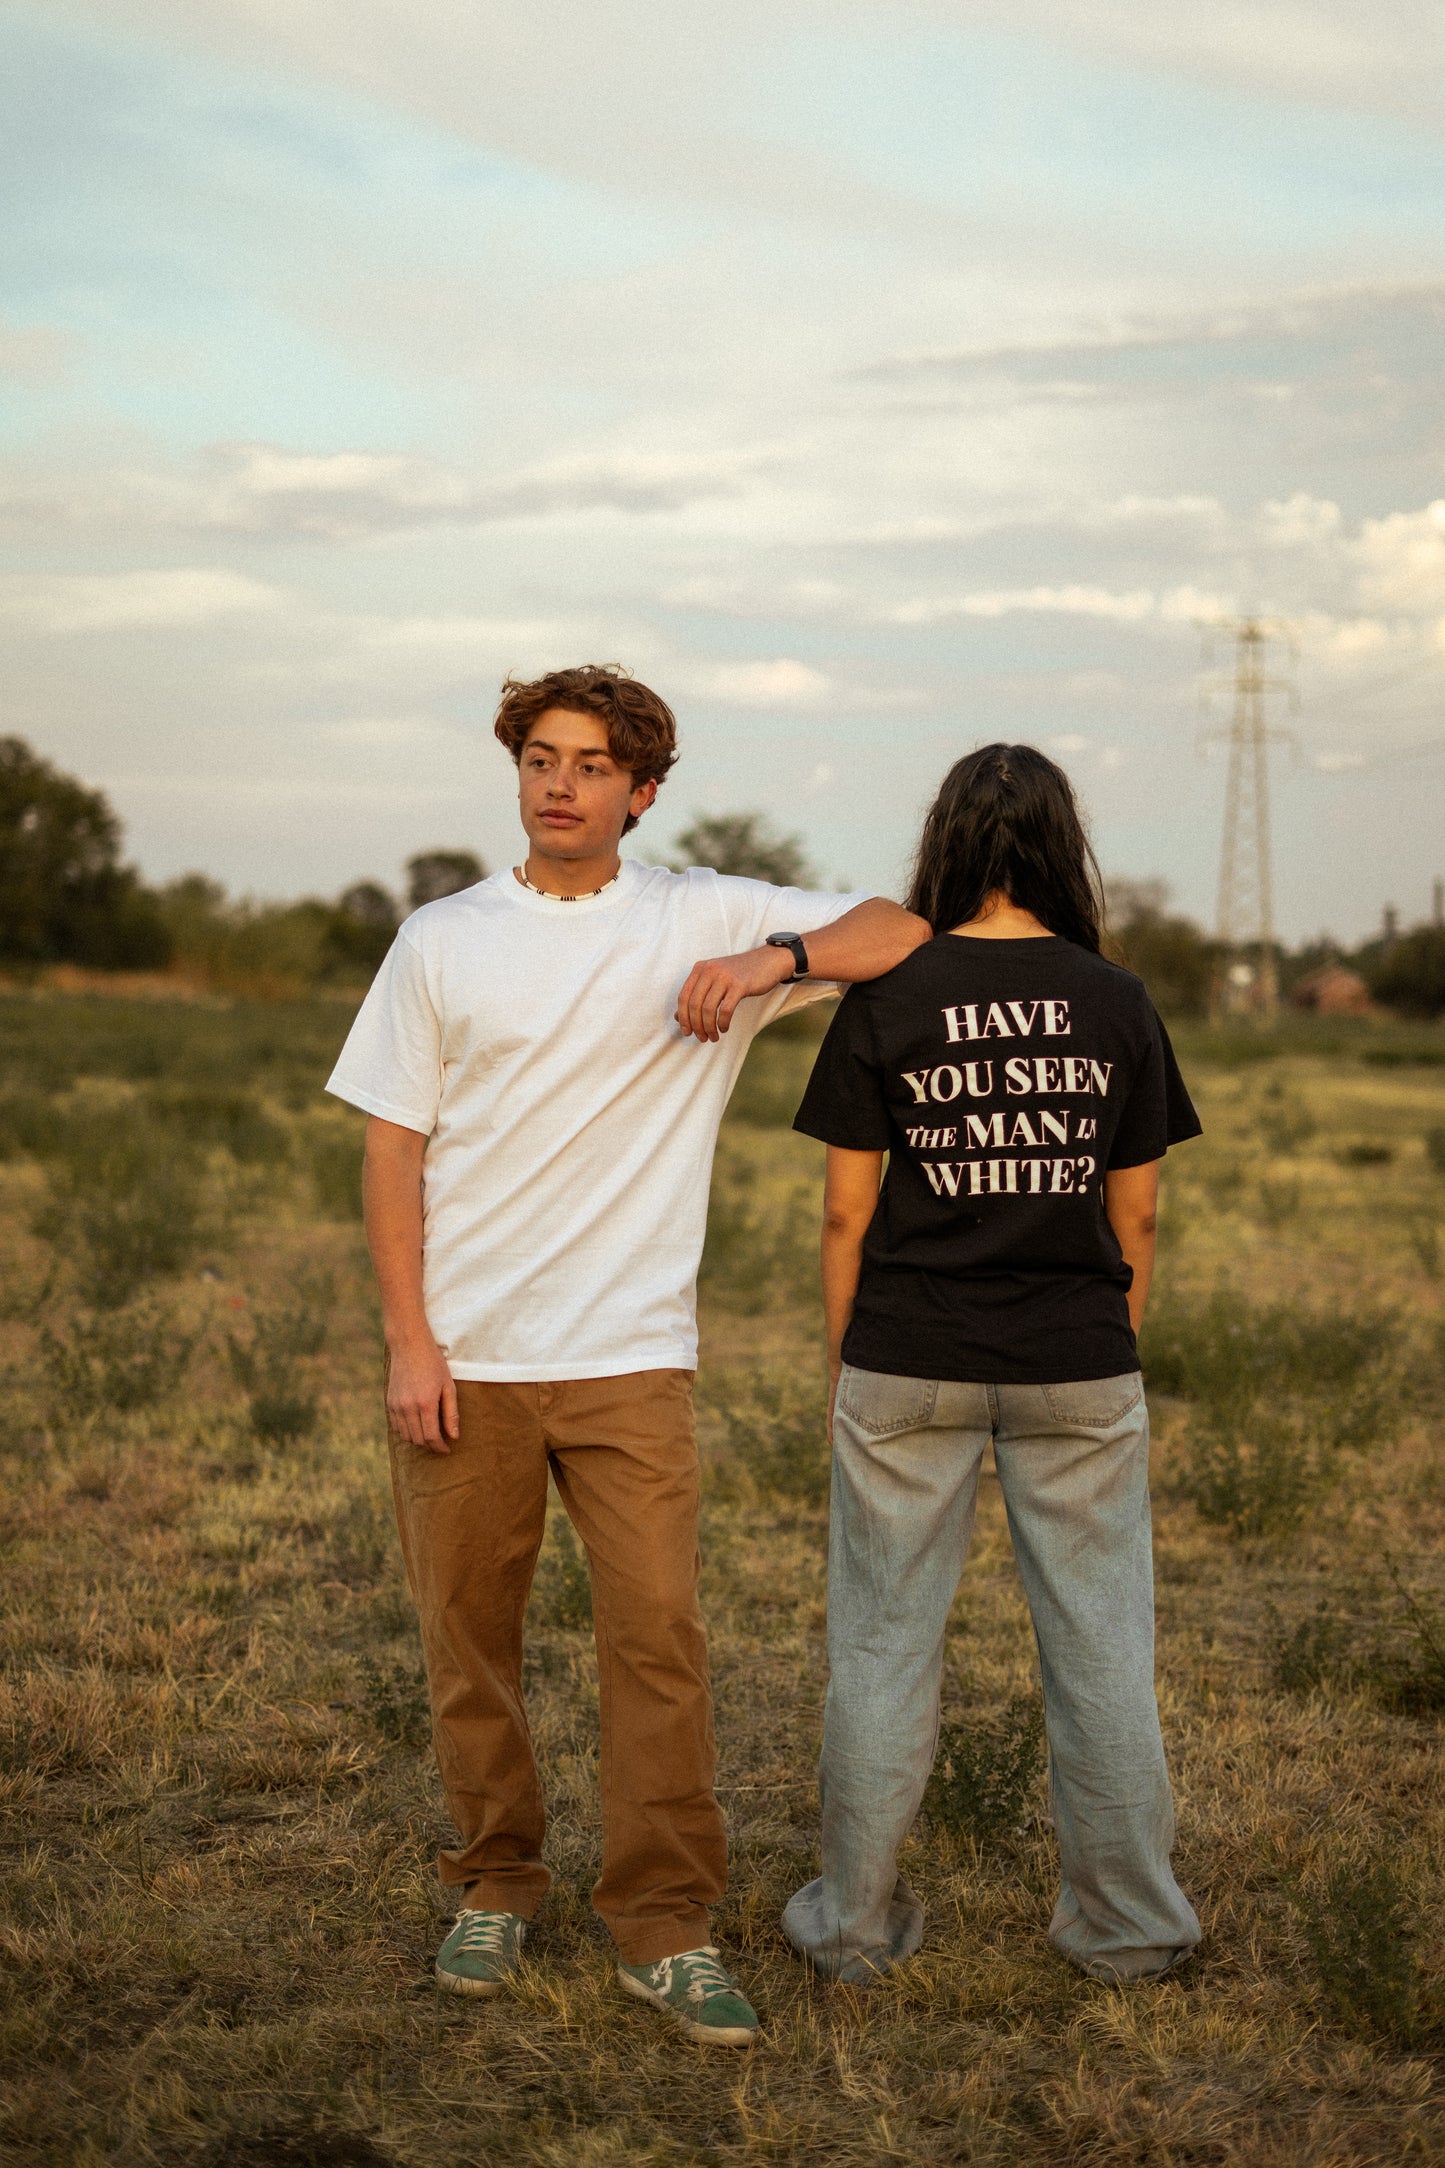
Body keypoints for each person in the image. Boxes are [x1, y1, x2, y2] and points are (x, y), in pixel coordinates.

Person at [325, 664, 928, 2045]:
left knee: (655, 1638)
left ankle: (663, 1924)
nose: (560, 782)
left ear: (642, 792)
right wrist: (410, 1341)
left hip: (631, 1359)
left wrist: (773, 962)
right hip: (466, 1357)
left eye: (594, 764)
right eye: (541, 756)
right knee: (468, 1639)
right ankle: (495, 1880)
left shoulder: (702, 912)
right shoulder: (441, 939)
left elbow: (904, 927)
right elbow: (391, 1144)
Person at [781, 742, 1202, 1987]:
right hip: (1077, 1357)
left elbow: (842, 1216)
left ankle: (853, 1925)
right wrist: (1112, 1347)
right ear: (1062, 843)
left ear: (947, 845)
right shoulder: (1113, 997)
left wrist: (842, 1365)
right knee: (1100, 1649)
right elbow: (1138, 1220)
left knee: (879, 1644)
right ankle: (1128, 1928)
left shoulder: (892, 992)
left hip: (904, 1353)